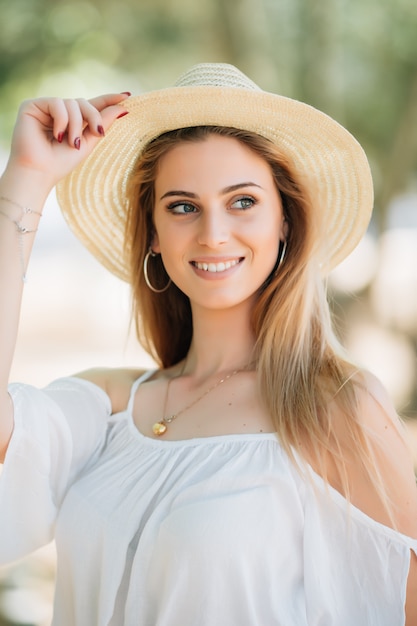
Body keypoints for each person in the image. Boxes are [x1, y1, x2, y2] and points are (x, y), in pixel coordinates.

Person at [0, 62, 416, 626]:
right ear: (152, 231)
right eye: (182, 206)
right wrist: (25, 177)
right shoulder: (107, 408)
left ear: (284, 221)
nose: (213, 233)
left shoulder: (334, 405)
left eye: (243, 201)